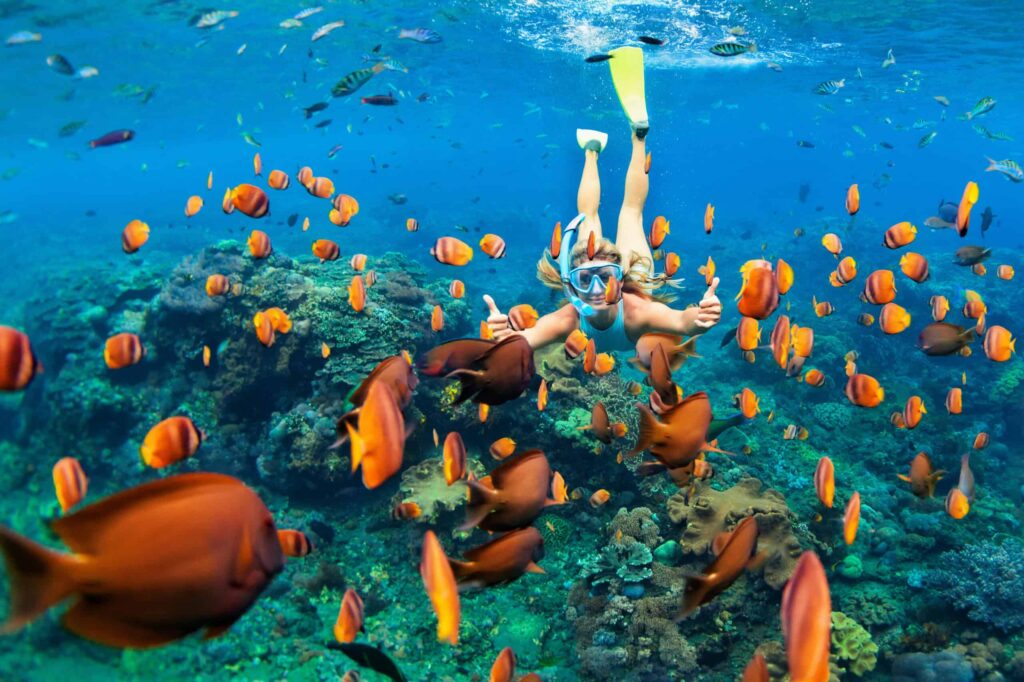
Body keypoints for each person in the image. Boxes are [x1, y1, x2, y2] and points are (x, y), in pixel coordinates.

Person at [483, 46, 722, 353]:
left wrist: (700, 319)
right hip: (637, 275)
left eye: (605, 277)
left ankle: (605, 146)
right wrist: (505, 338)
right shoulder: (568, 318)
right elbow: (524, 341)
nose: (597, 290)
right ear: (573, 285)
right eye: (586, 280)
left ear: (620, 279)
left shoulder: (637, 312)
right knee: (630, 214)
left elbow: (682, 322)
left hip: (633, 281)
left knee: (597, 215)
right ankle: (626, 139)